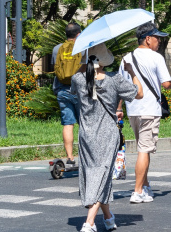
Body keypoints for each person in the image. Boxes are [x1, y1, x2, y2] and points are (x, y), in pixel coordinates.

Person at [71, 43, 143, 232]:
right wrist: (132, 72)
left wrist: (84, 60)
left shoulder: (78, 79)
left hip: (86, 134)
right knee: (102, 174)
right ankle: (90, 222)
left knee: (95, 174)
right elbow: (140, 93)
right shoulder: (114, 80)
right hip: (107, 134)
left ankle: (109, 218)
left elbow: (76, 85)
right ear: (104, 61)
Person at [118, 22, 171, 203]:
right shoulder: (156, 57)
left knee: (143, 149)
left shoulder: (126, 58)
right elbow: (166, 84)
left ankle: (145, 186)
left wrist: (119, 108)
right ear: (147, 39)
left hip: (133, 110)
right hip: (150, 110)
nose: (159, 41)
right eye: (157, 38)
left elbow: (120, 87)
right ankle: (137, 191)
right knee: (144, 150)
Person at [53, 22, 82, 165]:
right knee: (85, 124)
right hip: (80, 91)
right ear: (78, 34)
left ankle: (70, 157)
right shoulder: (83, 48)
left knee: (68, 124)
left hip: (62, 90)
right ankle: (85, 156)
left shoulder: (57, 49)